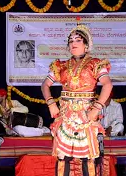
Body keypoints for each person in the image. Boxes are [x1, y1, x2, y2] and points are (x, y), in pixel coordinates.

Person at [41, 20, 113, 175]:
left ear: (86, 45)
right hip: (65, 116)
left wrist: (96, 108)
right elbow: (45, 85)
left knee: (89, 158)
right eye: (70, 41)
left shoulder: (96, 64)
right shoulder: (60, 66)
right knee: (62, 157)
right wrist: (51, 104)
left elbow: (108, 85)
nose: (73, 43)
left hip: (87, 116)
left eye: (78, 40)